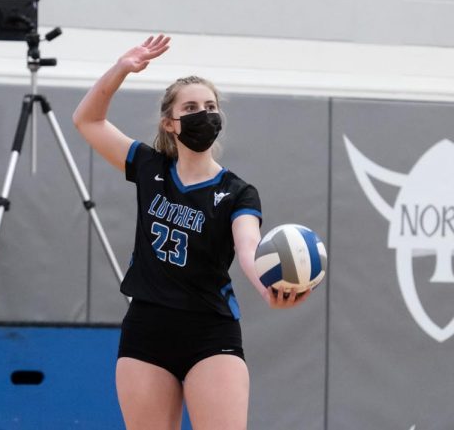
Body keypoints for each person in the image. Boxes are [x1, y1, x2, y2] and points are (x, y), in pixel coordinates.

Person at [72, 34, 309, 430]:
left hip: (209, 331)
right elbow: (87, 120)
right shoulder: (149, 167)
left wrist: (268, 286)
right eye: (192, 107)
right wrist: (120, 69)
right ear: (170, 122)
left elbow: (249, 246)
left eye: (211, 107)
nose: (204, 114)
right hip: (147, 328)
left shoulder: (236, 192)